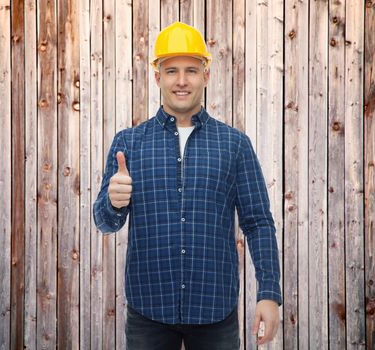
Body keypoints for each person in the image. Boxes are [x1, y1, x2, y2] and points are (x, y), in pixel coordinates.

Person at [93, 21, 281, 350]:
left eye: (191, 71)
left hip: (215, 311)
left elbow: (258, 222)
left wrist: (269, 293)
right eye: (171, 71)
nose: (182, 81)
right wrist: (114, 201)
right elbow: (106, 223)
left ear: (206, 76)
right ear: (157, 77)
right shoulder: (129, 143)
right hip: (148, 310)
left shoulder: (234, 144)